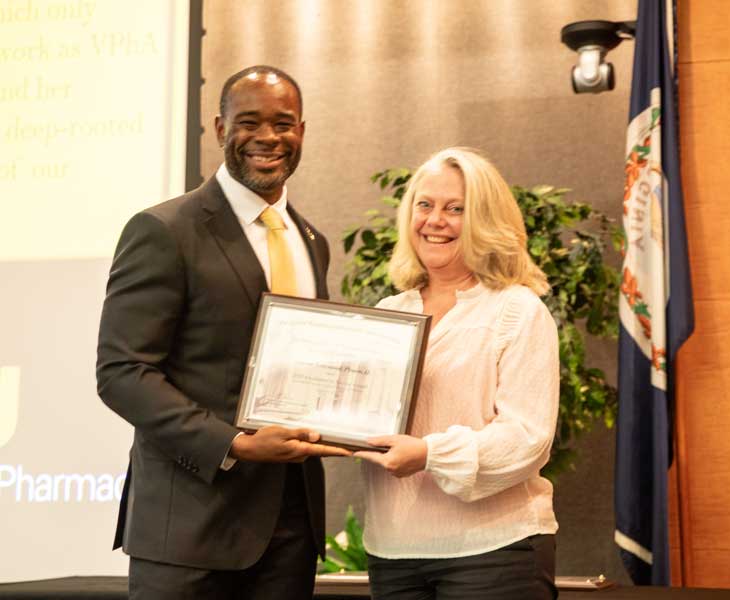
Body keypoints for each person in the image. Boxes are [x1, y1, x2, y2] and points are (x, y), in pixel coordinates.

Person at [96, 65, 350, 600]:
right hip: (189, 531)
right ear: (219, 129)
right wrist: (234, 443)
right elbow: (122, 372)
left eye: (283, 123)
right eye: (249, 122)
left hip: (290, 529)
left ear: (302, 131)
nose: (267, 137)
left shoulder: (311, 240)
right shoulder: (165, 230)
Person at [355, 147, 560, 600]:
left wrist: (429, 453)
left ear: (485, 220)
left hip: (494, 552)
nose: (435, 221)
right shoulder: (389, 312)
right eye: (424, 205)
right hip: (392, 554)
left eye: (455, 209)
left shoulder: (517, 310)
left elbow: (527, 438)